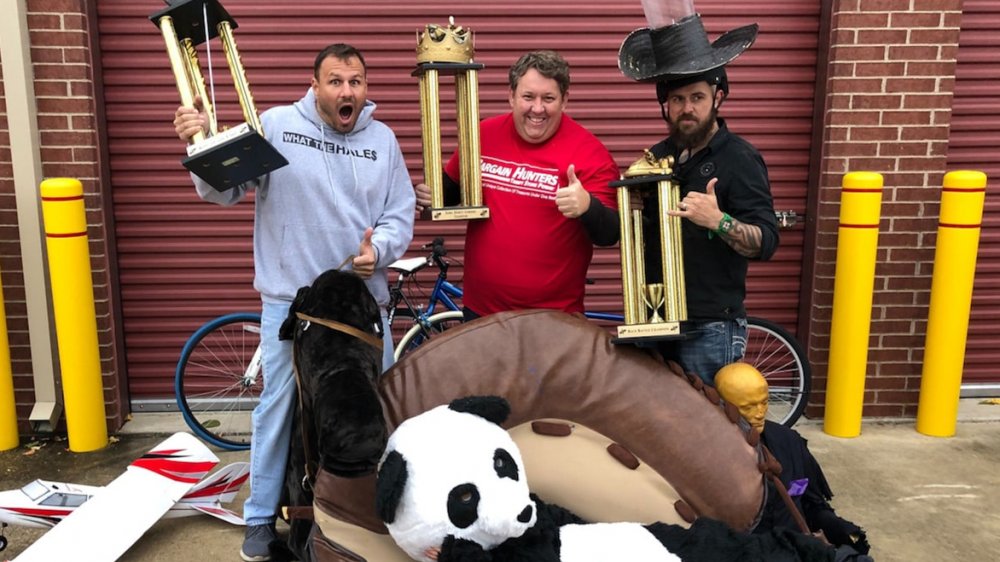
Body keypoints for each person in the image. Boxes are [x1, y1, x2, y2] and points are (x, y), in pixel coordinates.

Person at [173, 43, 414, 562]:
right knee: (278, 408)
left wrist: (384, 249)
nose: (347, 91)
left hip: (359, 303)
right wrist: (199, 145)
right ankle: (260, 518)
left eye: (356, 81)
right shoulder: (279, 124)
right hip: (290, 303)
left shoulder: (383, 140)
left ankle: (394, 511)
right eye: (336, 81)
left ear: (365, 87)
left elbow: (399, 212)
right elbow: (225, 189)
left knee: (384, 401)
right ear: (316, 85)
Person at [414, 50, 620, 321]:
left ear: (565, 100)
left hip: (555, 319)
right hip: (482, 315)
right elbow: (453, 192)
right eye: (528, 97)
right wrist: (432, 194)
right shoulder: (483, 135)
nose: (537, 108)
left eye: (548, 98)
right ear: (511, 96)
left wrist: (587, 207)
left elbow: (609, 234)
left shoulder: (590, 153)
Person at [640, 65, 780, 384]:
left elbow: (767, 241)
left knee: (707, 427)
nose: (687, 108)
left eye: (697, 97)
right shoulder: (656, 158)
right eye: (677, 99)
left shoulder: (739, 158)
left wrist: (720, 221)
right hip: (654, 320)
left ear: (717, 98)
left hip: (709, 328)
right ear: (666, 105)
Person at [715, 362, 873, 560]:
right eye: (748, 407)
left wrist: (837, 526)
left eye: (764, 402)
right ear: (722, 405)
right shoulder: (712, 459)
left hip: (796, 547)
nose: (759, 413)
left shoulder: (789, 441)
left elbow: (811, 501)